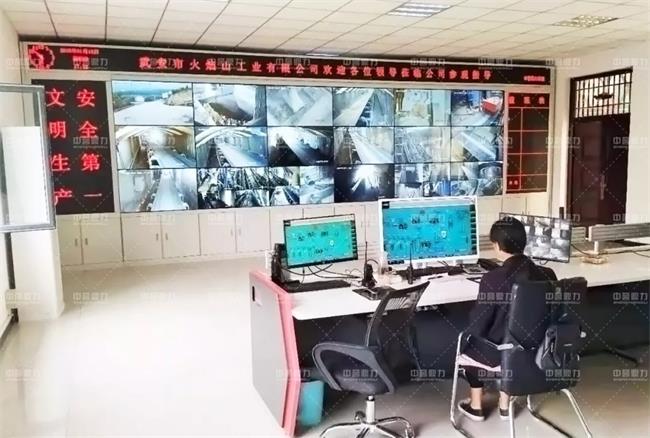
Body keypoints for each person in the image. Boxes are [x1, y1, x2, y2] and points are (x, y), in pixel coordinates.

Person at [458, 217, 557, 422]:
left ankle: (476, 406)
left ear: (496, 245)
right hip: (538, 350)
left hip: (501, 354)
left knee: (471, 342)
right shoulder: (548, 274)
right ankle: (505, 404)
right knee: (509, 337)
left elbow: (479, 324)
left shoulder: (493, 278)